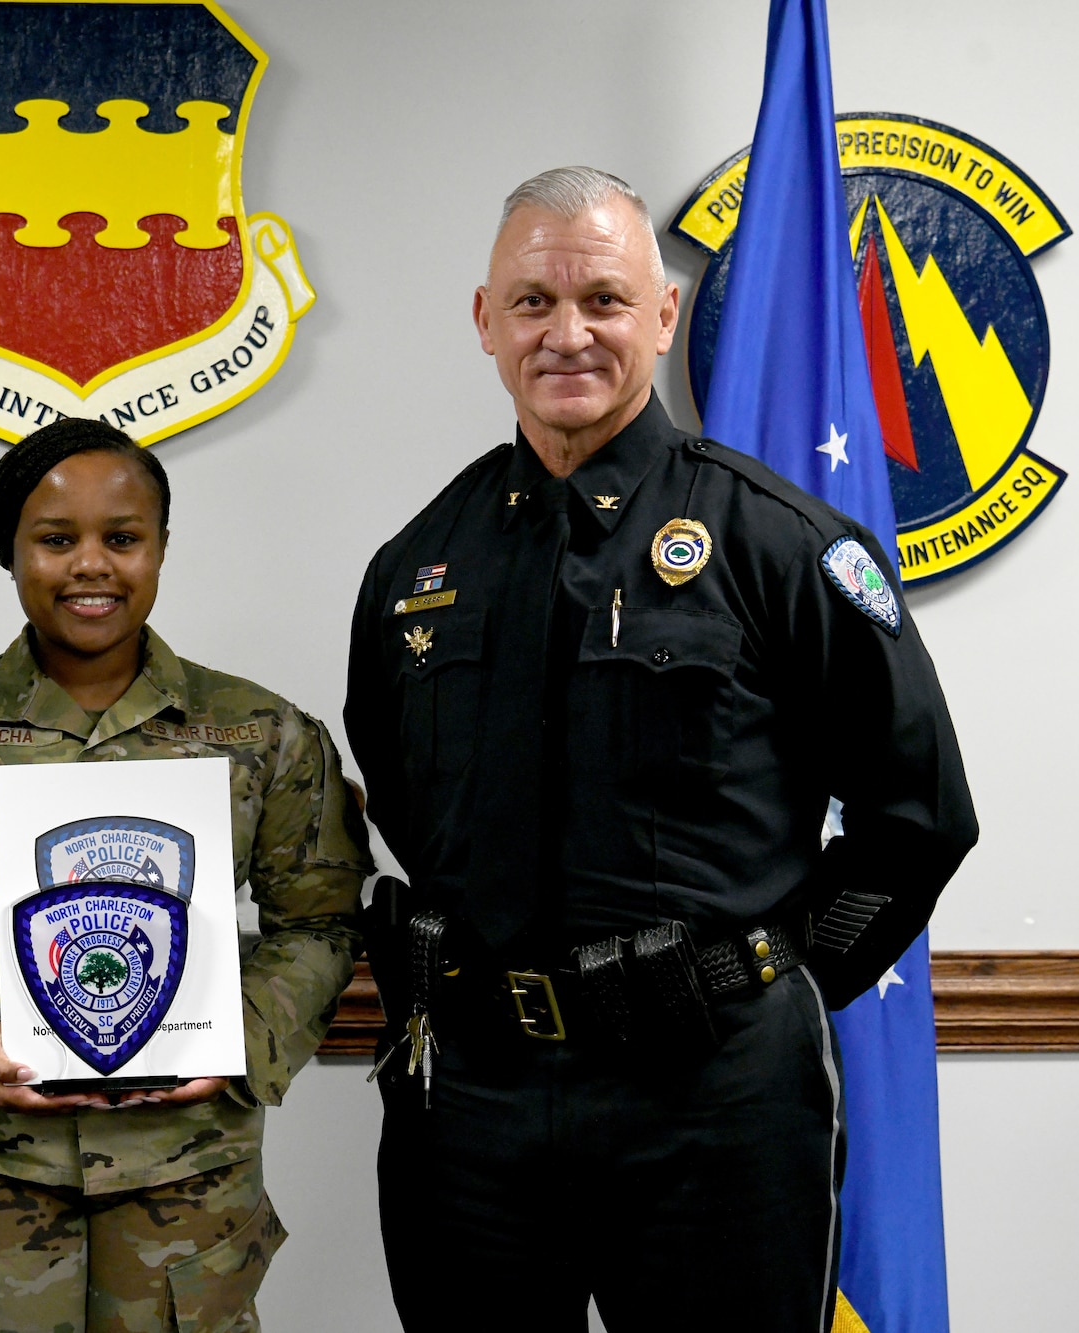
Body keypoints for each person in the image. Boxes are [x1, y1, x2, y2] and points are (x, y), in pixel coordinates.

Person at [344, 166, 977, 1330]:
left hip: (713, 1102)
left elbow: (915, 816)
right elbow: (405, 797)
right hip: (471, 1105)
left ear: (663, 313)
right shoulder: (415, 566)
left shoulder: (776, 543)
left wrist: (758, 983)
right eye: (531, 303)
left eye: (602, 299)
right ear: (484, 322)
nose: (566, 333)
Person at [0, 418, 369, 1333]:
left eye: (124, 537)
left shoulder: (264, 733)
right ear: (9, 552)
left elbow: (325, 926)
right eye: (56, 540)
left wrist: (236, 1035)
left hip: (189, 1199)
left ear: (162, 546)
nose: (92, 565)